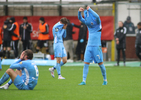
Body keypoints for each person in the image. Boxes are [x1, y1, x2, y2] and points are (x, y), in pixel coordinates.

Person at [78, 6, 107, 85]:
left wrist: (89, 9)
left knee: (100, 64)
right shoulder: (88, 24)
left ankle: (105, 80)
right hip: (89, 46)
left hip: (96, 47)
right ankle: (84, 81)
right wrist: (79, 12)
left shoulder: (97, 23)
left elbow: (97, 16)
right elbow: (80, 18)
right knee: (86, 63)